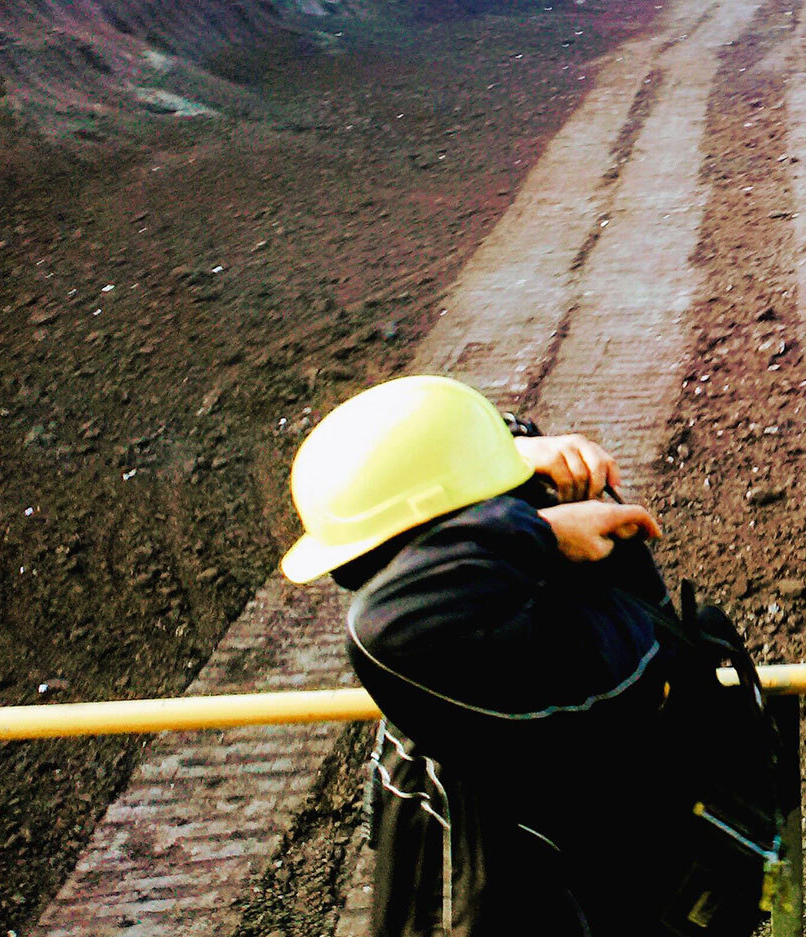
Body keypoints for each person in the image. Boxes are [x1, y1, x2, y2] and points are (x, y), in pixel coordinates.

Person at [280, 374, 699, 937]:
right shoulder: (498, 598)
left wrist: (537, 528)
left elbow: (387, 617)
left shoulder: (564, 641)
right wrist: (518, 455)